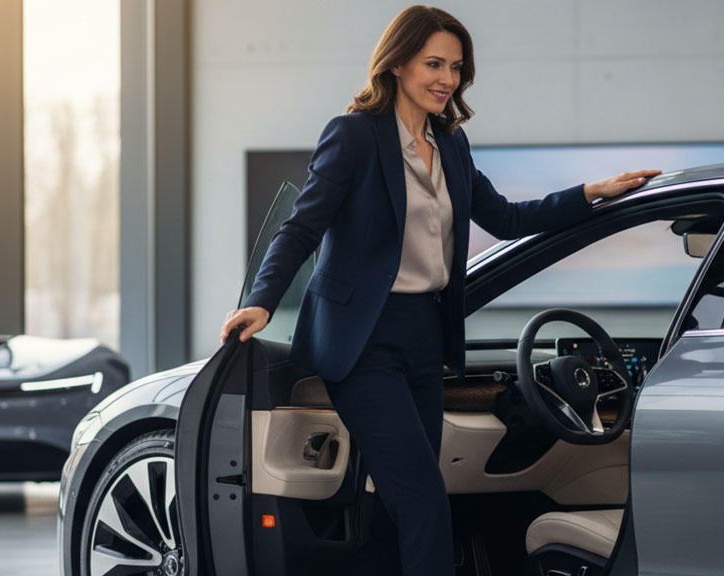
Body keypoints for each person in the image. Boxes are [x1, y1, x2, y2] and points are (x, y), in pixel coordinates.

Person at [220, 5, 660, 575]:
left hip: (425, 337)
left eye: (455, 67)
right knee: (424, 493)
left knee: (401, 493)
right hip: (363, 342)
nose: (446, 79)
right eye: (434, 63)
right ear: (398, 63)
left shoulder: (451, 142)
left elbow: (504, 216)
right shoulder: (353, 136)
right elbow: (301, 227)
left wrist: (588, 194)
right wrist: (260, 299)